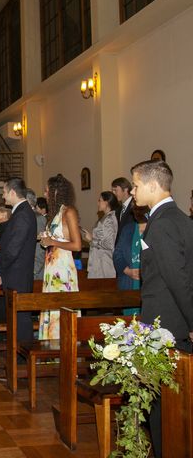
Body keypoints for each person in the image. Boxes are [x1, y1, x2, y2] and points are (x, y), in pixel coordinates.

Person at [130, 159, 193, 457]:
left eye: (136, 184)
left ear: (153, 186)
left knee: (161, 408)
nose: (133, 191)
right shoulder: (179, 218)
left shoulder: (164, 223)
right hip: (173, 322)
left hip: (165, 326)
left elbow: (178, 279)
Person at [0, 178, 37, 342]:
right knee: (16, 318)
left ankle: (21, 356)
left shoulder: (23, 214)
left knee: (20, 319)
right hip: (15, 274)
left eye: (4, 192)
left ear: (12, 192)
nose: (3, 197)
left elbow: (13, 248)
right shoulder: (20, 212)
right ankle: (16, 355)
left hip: (17, 275)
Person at [38, 174, 82, 340]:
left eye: (47, 190)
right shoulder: (56, 213)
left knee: (62, 309)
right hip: (51, 268)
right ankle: (51, 351)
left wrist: (52, 241)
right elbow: (56, 239)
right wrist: (46, 239)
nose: (45, 193)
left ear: (56, 192)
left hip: (63, 269)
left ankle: (65, 349)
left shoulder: (68, 212)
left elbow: (77, 245)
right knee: (51, 306)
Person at [113, 205, 148, 315]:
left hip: (148, 283)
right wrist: (127, 270)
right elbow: (117, 254)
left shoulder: (155, 228)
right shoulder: (128, 228)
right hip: (128, 282)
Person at [84, 191, 118, 278]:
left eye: (100, 200)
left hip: (103, 265)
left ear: (106, 202)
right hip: (98, 263)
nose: (98, 203)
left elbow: (109, 244)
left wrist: (92, 240)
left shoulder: (109, 219)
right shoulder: (105, 218)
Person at [111, 177, 135, 243]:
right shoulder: (118, 210)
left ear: (125, 190)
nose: (114, 193)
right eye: (112, 191)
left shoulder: (135, 206)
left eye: (116, 190)